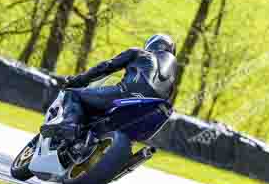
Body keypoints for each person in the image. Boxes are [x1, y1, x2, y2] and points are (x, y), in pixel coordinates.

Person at [42, 34, 177, 141]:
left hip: (126, 94)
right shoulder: (171, 83)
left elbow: (106, 67)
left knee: (73, 94)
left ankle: (68, 125)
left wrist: (78, 81)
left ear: (151, 44)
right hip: (149, 113)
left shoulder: (140, 53)